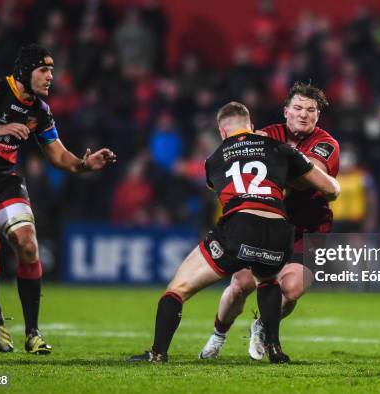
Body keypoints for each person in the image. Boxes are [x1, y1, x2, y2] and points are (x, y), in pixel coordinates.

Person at [128, 101, 339, 364]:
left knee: (178, 288)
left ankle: (158, 353)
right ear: (251, 126)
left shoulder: (214, 158)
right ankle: (273, 349)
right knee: (267, 280)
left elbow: (217, 186)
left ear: (222, 131)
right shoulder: (280, 148)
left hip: (240, 225)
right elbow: (331, 189)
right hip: (279, 227)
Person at [0, 44, 116, 354]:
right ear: (25, 72)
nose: (51, 76)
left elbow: (58, 154)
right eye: (44, 70)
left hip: (3, 180)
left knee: (27, 243)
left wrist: (84, 165)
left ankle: (33, 332)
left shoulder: (40, 110)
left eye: (52, 70)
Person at [199, 82, 339, 360]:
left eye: (311, 110)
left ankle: (261, 326)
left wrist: (273, 162)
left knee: (292, 288)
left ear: (318, 116)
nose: (303, 114)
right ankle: (218, 334)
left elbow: (309, 178)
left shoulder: (326, 144)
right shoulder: (268, 134)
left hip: (309, 226)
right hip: (266, 220)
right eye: (297, 108)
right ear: (285, 111)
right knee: (240, 285)